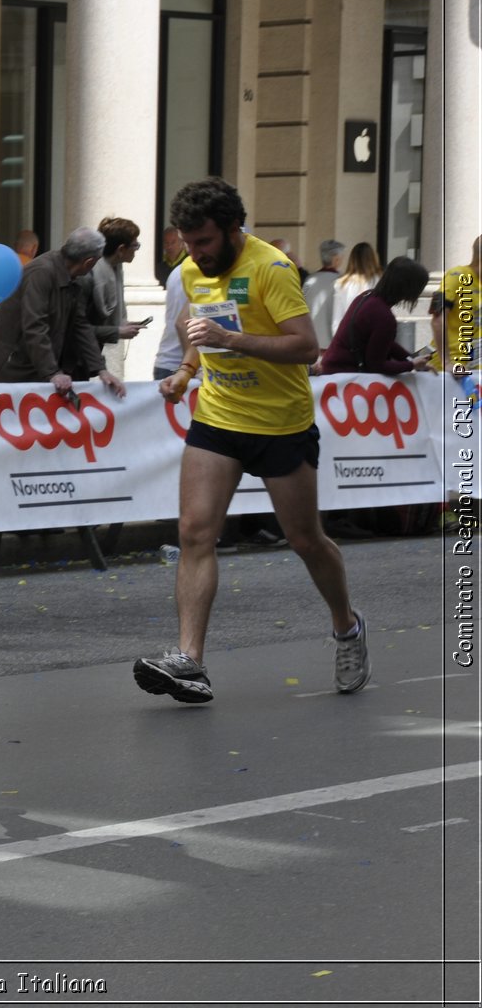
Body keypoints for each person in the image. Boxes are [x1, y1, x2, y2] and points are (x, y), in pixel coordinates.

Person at [142, 176, 368, 704]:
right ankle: (190, 663)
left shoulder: (270, 268)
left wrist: (230, 339)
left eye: (203, 242)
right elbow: (191, 323)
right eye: (186, 242)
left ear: (232, 229)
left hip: (280, 424)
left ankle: (347, 626)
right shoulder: (191, 271)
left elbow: (306, 347)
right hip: (219, 417)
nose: (193, 253)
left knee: (306, 539)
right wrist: (186, 370)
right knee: (195, 533)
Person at [0, 227, 127, 400]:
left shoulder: (74, 277)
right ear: (89, 262)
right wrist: (53, 373)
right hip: (8, 365)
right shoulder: (42, 273)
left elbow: (80, 325)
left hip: (32, 363)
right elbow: (35, 326)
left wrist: (100, 369)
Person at [317, 257, 433, 375]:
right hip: (345, 376)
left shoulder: (366, 296)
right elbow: (377, 366)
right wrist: (411, 364)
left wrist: (411, 359)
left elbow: (383, 343)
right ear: (409, 290)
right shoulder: (384, 317)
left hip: (333, 369)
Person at [83, 217, 144, 378]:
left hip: (89, 354)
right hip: (74, 358)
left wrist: (122, 324)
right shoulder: (89, 277)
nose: (136, 249)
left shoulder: (115, 269)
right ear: (121, 250)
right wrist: (117, 331)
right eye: (135, 245)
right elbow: (79, 328)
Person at [431, 235, 480, 375]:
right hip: (452, 369)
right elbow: (437, 319)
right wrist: (446, 362)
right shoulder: (455, 276)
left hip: (475, 367)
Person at [330, 242, 382, 336]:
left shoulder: (341, 284)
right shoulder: (380, 281)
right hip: (374, 335)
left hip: (350, 337)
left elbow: (337, 319)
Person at [304, 238, 345, 348]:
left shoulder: (309, 280)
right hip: (332, 343)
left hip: (312, 341)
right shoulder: (342, 281)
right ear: (336, 259)